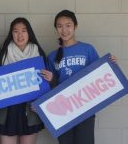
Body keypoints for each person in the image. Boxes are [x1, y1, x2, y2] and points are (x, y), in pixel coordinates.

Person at [47, 10, 116, 144]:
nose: (64, 30)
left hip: (85, 106)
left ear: (75, 26)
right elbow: (51, 87)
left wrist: (111, 65)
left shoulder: (87, 49)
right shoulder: (52, 56)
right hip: (63, 109)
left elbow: (99, 74)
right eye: (60, 26)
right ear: (56, 29)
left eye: (68, 25)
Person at [0, 17, 53, 144]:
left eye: (23, 31)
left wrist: (43, 102)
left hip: (30, 111)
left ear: (29, 33)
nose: (20, 35)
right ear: (11, 34)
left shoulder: (38, 53)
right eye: (15, 31)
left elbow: (46, 86)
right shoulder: (3, 52)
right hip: (7, 110)